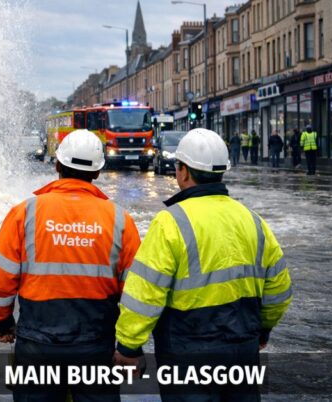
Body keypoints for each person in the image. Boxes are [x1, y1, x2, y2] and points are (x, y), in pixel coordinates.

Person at [113, 128, 292, 401]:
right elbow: (279, 288)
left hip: (186, 352)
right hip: (243, 347)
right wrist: (263, 328)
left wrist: (128, 346)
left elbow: (145, 293)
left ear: (183, 172)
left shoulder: (171, 222)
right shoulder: (252, 220)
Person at [0, 129, 141, 401]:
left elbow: (0, 277)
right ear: (97, 173)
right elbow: (137, 291)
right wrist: (130, 346)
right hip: (96, 343)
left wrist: (2, 322)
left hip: (37, 342)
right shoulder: (120, 219)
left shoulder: (24, 212)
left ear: (57, 165)